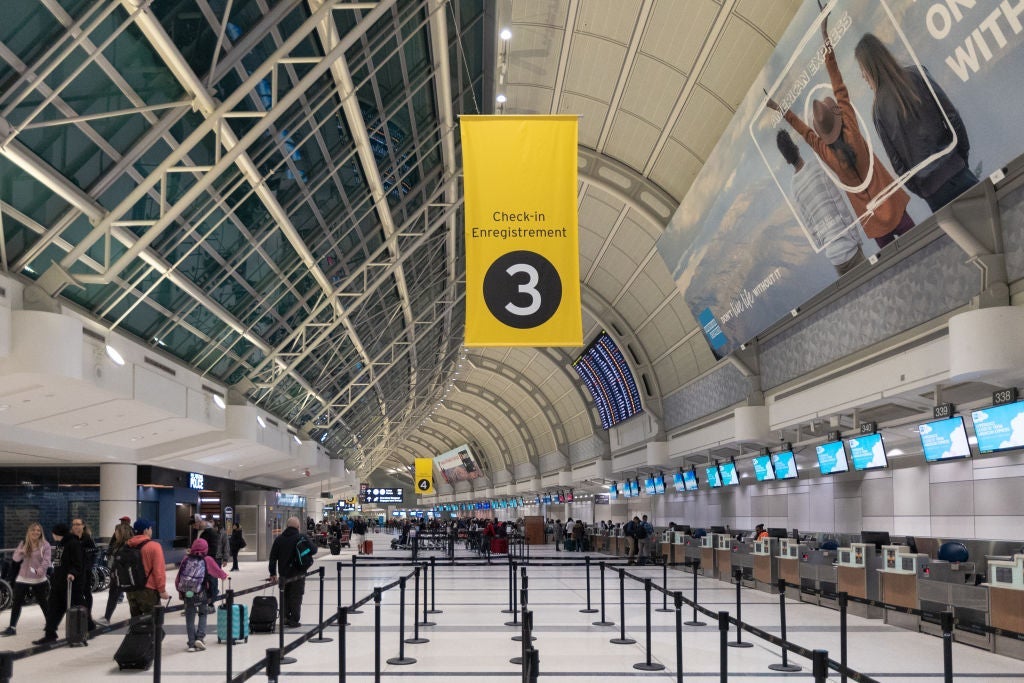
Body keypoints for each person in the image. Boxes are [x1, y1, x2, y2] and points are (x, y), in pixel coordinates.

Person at [768, 13, 913, 249]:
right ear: (837, 116)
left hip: (875, 225)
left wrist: (780, 110)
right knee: (926, 244)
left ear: (822, 132)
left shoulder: (829, 155)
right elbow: (838, 85)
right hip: (894, 209)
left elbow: (806, 133)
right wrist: (825, 37)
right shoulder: (852, 129)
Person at [852, 34, 977, 212]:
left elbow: (898, 165)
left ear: (870, 67)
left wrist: (923, 190)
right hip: (957, 170)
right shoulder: (917, 74)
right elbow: (952, 117)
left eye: (862, 68)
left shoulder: (878, 111)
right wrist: (961, 157)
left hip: (933, 192)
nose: (862, 76)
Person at [775, 129, 866, 275]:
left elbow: (809, 224)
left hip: (834, 259)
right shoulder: (817, 167)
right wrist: (857, 239)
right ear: (797, 148)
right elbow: (839, 204)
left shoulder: (794, 187)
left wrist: (825, 245)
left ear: (787, 160)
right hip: (849, 247)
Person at [33, 523, 84, 644]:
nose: (52, 534)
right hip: (58, 582)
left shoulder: (73, 543)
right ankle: (50, 634)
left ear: (57, 533)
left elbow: (78, 562)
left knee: (75, 607)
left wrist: (72, 573)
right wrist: (53, 575)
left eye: (53, 533)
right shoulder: (60, 544)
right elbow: (58, 562)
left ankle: (88, 628)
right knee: (53, 608)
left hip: (69, 583)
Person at [176, 538, 229, 652]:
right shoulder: (207, 559)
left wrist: (180, 592)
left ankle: (191, 643)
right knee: (203, 613)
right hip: (201, 592)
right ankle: (200, 638)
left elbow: (179, 577)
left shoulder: (186, 559)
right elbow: (217, 571)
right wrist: (224, 576)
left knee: (189, 617)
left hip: (188, 593)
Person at [2, 522, 51, 637]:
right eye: (33, 530)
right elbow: (15, 559)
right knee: (17, 602)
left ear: (41, 532)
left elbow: (46, 560)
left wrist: (40, 570)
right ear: (29, 532)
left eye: (38, 530)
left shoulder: (45, 544)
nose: (36, 532)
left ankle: (51, 624)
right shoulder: (24, 543)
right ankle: (12, 628)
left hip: (38, 578)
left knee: (43, 602)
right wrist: (20, 552)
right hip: (22, 578)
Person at [268, 516, 315, 628]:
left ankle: (285, 617)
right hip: (298, 573)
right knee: (296, 596)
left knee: (284, 595)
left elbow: (273, 558)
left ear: (287, 526)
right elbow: (314, 550)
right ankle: (294, 620)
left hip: (283, 574)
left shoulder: (279, 539)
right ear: (298, 527)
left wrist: (272, 573)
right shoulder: (301, 537)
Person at [125, 519, 170, 618]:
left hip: (131, 590)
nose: (151, 530)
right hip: (148, 591)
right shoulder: (154, 546)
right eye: (150, 528)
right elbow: (159, 571)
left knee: (136, 621)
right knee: (153, 621)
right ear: (146, 530)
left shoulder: (128, 545)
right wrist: (162, 590)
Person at [99, 516, 135, 625]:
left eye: (117, 532)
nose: (115, 533)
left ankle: (139, 621)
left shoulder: (127, 547)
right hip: (117, 576)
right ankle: (107, 617)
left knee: (131, 598)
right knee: (113, 594)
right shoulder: (119, 544)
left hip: (125, 576)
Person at [70, 519, 97, 629]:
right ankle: (78, 616)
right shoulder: (70, 538)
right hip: (74, 572)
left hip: (86, 571)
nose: (76, 526)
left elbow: (94, 554)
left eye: (78, 524)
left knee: (86, 593)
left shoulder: (88, 539)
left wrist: (88, 566)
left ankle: (88, 615)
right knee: (75, 595)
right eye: (74, 524)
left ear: (83, 526)